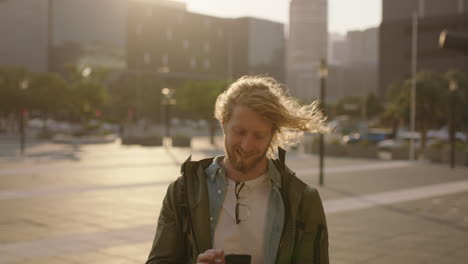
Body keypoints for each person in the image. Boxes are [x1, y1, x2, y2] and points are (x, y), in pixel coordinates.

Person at [146, 76, 329, 264]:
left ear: (272, 135)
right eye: (239, 132)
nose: (246, 145)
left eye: (258, 135)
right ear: (224, 123)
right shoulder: (183, 192)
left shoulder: (303, 200)